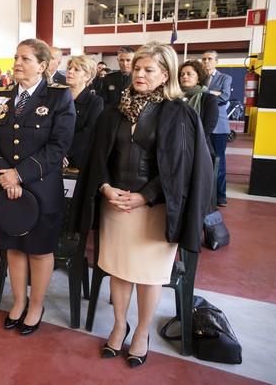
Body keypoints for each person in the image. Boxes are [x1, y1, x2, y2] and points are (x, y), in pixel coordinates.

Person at [73, 42, 212, 367]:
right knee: (119, 272)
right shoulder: (113, 111)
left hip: (155, 210)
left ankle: (142, 333)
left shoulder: (179, 113)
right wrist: (105, 188)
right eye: (137, 68)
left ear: (165, 74)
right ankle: (120, 325)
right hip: (115, 206)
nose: (140, 74)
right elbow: (98, 157)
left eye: (149, 69)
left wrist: (145, 195)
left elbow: (179, 168)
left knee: (149, 276)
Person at [0, 38, 75, 335]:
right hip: (4, 186)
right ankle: (19, 301)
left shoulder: (59, 97)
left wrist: (18, 175)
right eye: (16, 57)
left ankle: (36, 305)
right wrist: (3, 173)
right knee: (12, 247)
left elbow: (58, 147)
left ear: (43, 65)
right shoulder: (2, 94)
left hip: (41, 187)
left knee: (38, 249)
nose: (18, 63)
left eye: (25, 59)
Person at [201, 50, 232, 207]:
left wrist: (205, 92)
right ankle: (205, 195)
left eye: (210, 59)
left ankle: (221, 196)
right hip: (202, 125)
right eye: (204, 59)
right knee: (202, 161)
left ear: (216, 61)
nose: (206, 61)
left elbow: (225, 96)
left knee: (219, 162)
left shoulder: (225, 78)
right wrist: (213, 93)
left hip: (219, 127)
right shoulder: (200, 78)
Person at [64, 55, 103, 170]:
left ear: (87, 76)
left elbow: (89, 132)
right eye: (69, 68)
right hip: (53, 157)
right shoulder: (58, 99)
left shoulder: (95, 102)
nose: (70, 72)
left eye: (76, 70)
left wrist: (64, 152)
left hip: (79, 160)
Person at [180, 60, 219, 158]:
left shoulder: (208, 99)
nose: (184, 76)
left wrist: (190, 142)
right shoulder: (173, 98)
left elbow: (208, 126)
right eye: (182, 74)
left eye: (189, 74)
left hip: (199, 148)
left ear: (199, 78)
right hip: (175, 148)